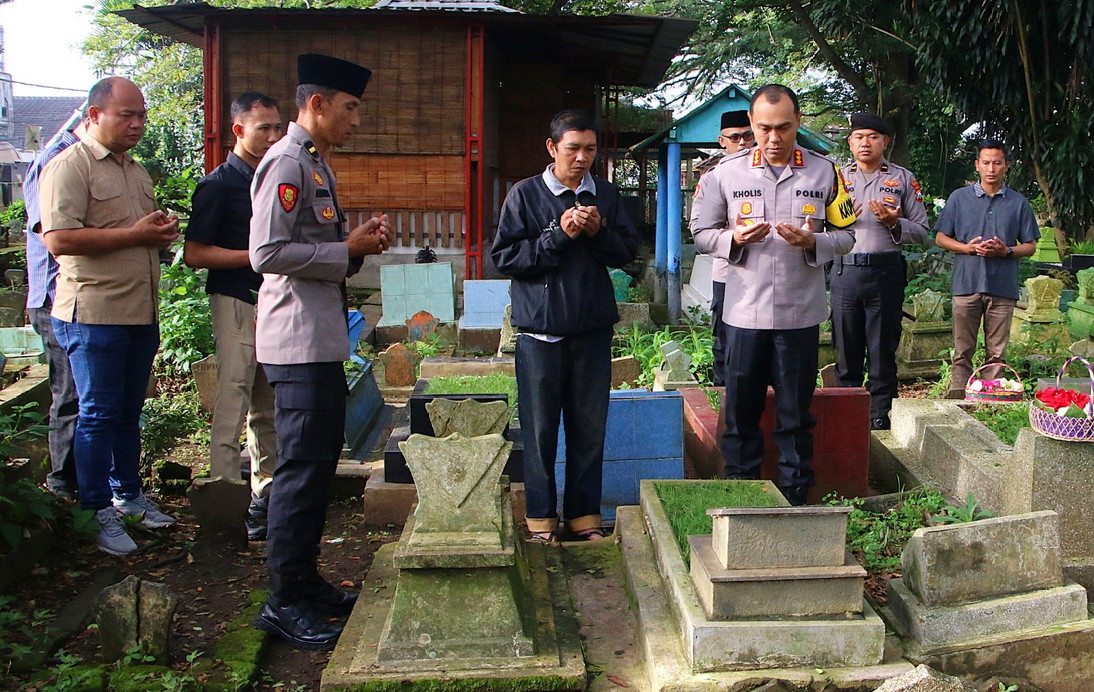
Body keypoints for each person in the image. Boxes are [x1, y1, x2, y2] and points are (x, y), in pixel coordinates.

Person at [249, 53, 393, 651]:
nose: (356, 119)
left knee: (315, 467)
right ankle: (283, 601)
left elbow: (314, 249)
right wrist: (344, 252)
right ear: (318, 104)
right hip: (296, 341)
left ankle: (305, 585)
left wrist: (353, 247)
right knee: (300, 472)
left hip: (319, 338)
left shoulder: (313, 164)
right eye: (351, 106)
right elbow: (267, 254)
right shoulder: (286, 163)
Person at [690, 84, 856, 506]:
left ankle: (796, 491)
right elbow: (701, 233)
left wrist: (813, 242)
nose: (774, 138)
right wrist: (734, 238)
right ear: (751, 125)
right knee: (740, 413)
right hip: (744, 312)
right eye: (764, 128)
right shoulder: (724, 175)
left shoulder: (825, 173)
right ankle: (741, 491)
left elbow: (849, 235)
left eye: (784, 127)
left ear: (798, 122)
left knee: (795, 414)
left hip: (799, 314)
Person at [39, 77, 180, 555]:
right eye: (126, 115)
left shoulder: (135, 170)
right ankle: (93, 509)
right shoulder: (69, 167)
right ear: (95, 115)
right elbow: (58, 239)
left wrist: (159, 233)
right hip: (94, 313)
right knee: (97, 413)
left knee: (127, 412)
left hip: (139, 310)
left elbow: (137, 231)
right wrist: (135, 236)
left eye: (141, 114)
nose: (137, 124)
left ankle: (128, 497)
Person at [491, 109, 639, 543]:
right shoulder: (525, 195)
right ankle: (540, 520)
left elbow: (626, 253)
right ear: (552, 148)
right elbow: (506, 258)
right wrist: (557, 234)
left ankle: (584, 519)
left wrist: (597, 231)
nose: (581, 158)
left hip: (591, 330)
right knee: (539, 433)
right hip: (540, 332)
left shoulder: (606, 196)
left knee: (589, 429)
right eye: (573, 148)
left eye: (589, 149)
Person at [184, 92, 282, 540]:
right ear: (238, 130)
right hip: (235, 299)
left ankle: (268, 495)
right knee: (233, 394)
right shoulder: (218, 184)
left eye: (277, 127)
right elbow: (194, 253)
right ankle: (224, 490)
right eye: (263, 128)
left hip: (275, 302)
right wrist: (255, 257)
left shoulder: (276, 175)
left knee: (268, 402)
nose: (272, 136)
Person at [831, 113, 929, 430]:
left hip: (885, 273)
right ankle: (846, 412)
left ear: (885, 142)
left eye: (873, 137)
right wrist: (839, 222)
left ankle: (879, 415)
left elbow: (923, 232)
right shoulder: (836, 179)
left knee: (882, 349)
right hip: (845, 273)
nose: (865, 143)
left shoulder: (902, 179)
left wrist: (894, 223)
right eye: (859, 137)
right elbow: (818, 226)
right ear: (850, 142)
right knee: (846, 349)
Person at [934, 139, 1039, 397]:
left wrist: (1007, 251)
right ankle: (958, 393)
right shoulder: (959, 198)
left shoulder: (1018, 203)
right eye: (986, 162)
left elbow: (1031, 245)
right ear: (977, 165)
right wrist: (967, 248)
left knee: (997, 350)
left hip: (1002, 285)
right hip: (966, 283)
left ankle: (991, 397)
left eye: (997, 163)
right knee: (962, 347)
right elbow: (940, 237)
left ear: (1006, 166)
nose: (991, 168)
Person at [22, 115, 83, 500]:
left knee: (85, 394)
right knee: (70, 392)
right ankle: (62, 485)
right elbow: (52, 234)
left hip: (81, 297)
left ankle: (85, 484)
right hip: (54, 296)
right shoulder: (57, 160)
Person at [697, 110, 754, 386]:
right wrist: (734, 238)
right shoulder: (712, 178)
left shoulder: (769, 174)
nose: (743, 143)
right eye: (735, 137)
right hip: (728, 273)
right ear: (722, 141)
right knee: (725, 344)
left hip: (764, 275)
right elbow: (699, 229)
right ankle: (724, 408)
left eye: (748, 135)